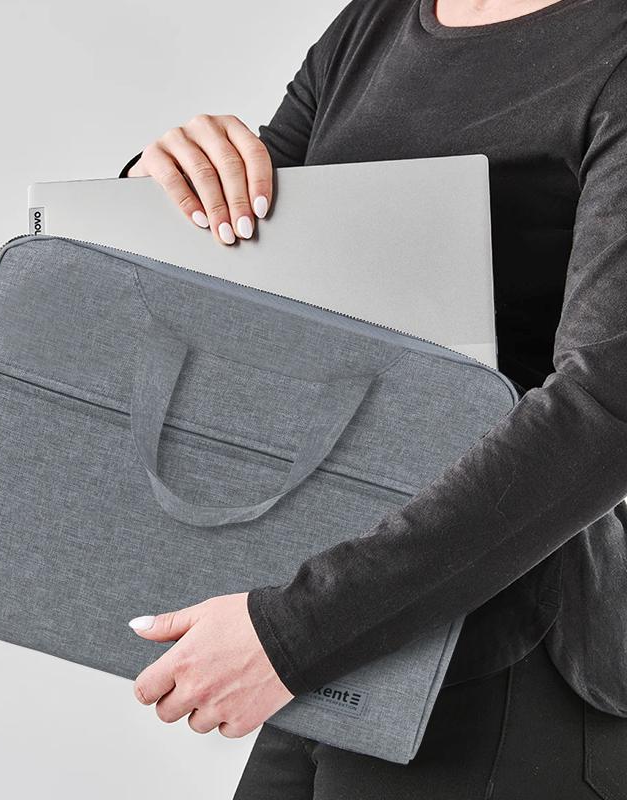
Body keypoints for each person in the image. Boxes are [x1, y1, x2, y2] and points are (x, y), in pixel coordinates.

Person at [117, 0, 627, 797]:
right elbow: (248, 274)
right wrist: (161, 185)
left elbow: (606, 415)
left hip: (502, 656)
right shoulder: (376, 24)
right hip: (332, 629)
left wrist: (294, 635)